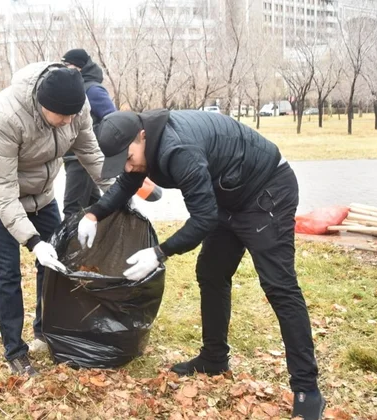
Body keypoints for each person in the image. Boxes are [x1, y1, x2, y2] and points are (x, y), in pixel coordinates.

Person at [77, 109, 326, 419]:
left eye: (128, 158)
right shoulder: (143, 145)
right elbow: (127, 183)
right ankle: (214, 358)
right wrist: (94, 214)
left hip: (267, 190)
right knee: (211, 273)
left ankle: (307, 390)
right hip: (229, 195)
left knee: (280, 287)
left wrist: (159, 253)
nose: (128, 167)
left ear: (142, 136)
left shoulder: (178, 150)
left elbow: (203, 219)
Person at [0, 62, 114, 376]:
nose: (68, 122)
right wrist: (34, 242)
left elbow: (91, 153)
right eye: (61, 115)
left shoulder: (76, 108)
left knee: (54, 264)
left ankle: (44, 332)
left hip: (42, 194)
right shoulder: (5, 117)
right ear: (41, 105)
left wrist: (118, 194)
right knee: (6, 273)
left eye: (73, 115)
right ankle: (15, 351)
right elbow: (3, 192)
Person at [60, 48, 161, 218]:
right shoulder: (74, 88)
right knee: (92, 202)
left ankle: (71, 240)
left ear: (79, 67)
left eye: (67, 65)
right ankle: (103, 230)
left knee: (73, 208)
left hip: (83, 157)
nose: (64, 70)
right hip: (74, 155)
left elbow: (113, 120)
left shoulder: (92, 90)